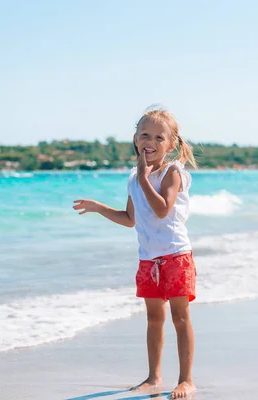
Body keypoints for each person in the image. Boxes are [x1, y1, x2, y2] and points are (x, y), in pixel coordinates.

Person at [73, 107, 198, 399]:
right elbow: (131, 219)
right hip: (148, 258)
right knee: (154, 319)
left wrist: (144, 177)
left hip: (176, 256)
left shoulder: (172, 173)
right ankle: (154, 377)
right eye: (145, 135)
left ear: (171, 144)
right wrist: (99, 208)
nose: (150, 141)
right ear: (136, 138)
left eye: (158, 137)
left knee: (180, 317)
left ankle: (186, 380)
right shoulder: (134, 177)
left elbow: (162, 208)